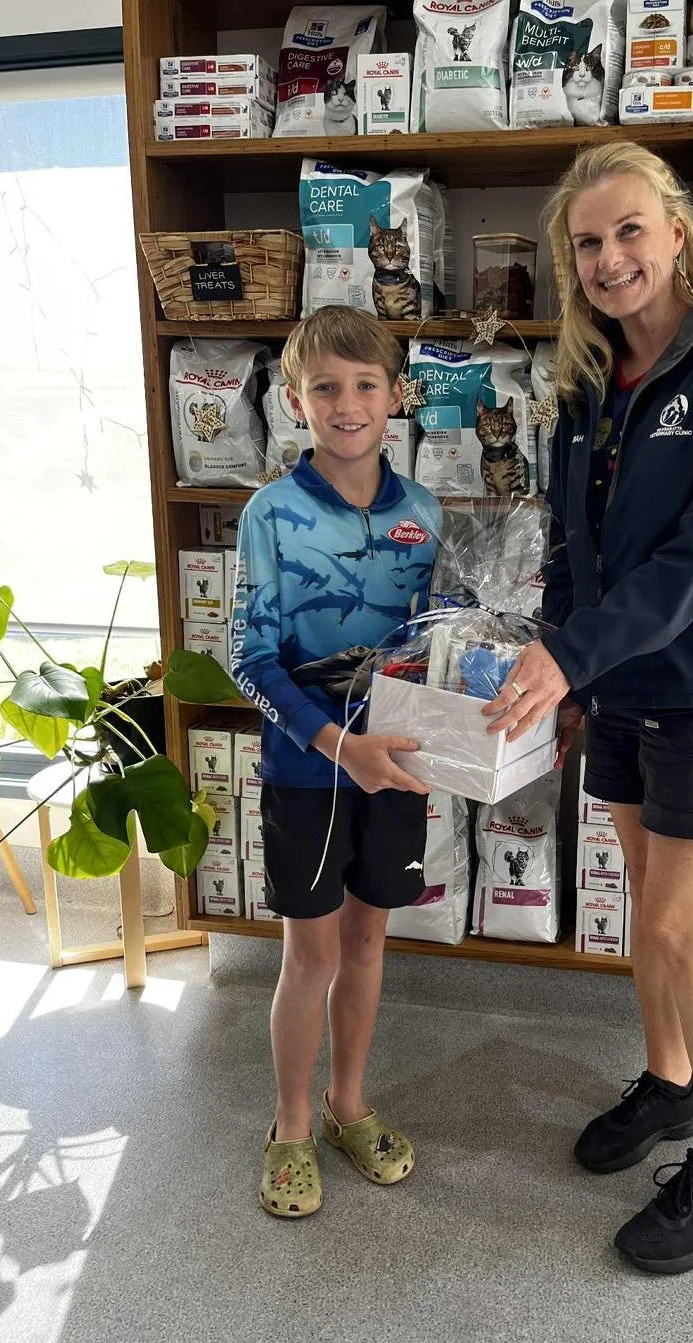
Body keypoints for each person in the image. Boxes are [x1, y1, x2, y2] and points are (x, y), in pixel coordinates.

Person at [483, 141, 693, 1273]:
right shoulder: (586, 379)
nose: (610, 257)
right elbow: (573, 547)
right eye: (587, 242)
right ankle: (669, 1083)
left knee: (682, 923)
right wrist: (565, 671)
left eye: (629, 230)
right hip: (620, 684)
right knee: (640, 897)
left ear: (677, 230)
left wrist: (572, 654)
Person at [231, 305, 442, 1218]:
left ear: (397, 395)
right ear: (295, 399)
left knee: (367, 942)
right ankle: (289, 1121)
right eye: (325, 387)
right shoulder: (270, 513)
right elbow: (249, 656)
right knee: (311, 952)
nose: (346, 404)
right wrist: (336, 744)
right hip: (307, 770)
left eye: (365, 385)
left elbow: (439, 646)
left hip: (393, 766)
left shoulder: (425, 514)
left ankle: (346, 1102)